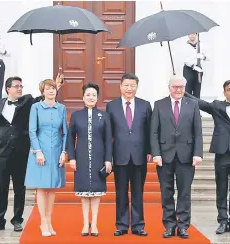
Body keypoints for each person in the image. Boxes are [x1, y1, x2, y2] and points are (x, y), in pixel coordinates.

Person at [0, 74, 64, 232]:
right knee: (1, 187)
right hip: (3, 151)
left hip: (21, 151)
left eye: (21, 86)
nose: (20, 88)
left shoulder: (27, 101)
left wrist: (55, 86)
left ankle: (17, 220)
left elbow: (42, 96)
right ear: (8, 89)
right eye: (17, 86)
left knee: (20, 188)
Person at [184, 80, 230, 235]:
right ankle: (222, 222)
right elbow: (200, 103)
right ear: (224, 92)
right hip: (222, 154)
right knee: (221, 189)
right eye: (228, 89)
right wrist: (181, 90)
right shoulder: (217, 106)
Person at [150, 75, 203, 239]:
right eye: (175, 87)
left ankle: (183, 226)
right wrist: (156, 153)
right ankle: (169, 225)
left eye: (181, 87)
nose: (178, 90)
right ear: (169, 87)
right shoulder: (159, 105)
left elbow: (198, 131)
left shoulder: (193, 105)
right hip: (164, 156)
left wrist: (197, 153)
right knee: (166, 192)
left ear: (185, 88)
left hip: (186, 156)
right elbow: (154, 131)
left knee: (184, 193)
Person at [105, 73, 152, 237]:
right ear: (120, 86)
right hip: (120, 156)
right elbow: (108, 134)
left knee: (138, 192)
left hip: (139, 156)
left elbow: (149, 131)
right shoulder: (111, 106)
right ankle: (122, 225)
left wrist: (149, 151)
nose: (129, 88)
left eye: (132, 85)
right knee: (121, 192)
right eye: (126, 85)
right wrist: (108, 156)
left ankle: (138, 225)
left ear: (137, 87)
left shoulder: (145, 105)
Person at [66, 83, 113, 237]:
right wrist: (71, 157)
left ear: (97, 97)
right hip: (81, 158)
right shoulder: (76, 115)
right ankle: (86, 223)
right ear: (83, 97)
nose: (91, 97)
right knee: (84, 193)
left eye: (93, 95)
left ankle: (95, 223)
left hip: (99, 158)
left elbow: (108, 140)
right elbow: (70, 137)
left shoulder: (104, 116)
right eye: (88, 94)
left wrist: (108, 160)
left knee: (97, 194)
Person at [24, 79, 68, 237]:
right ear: (42, 91)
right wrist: (38, 151)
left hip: (56, 151)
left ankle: (49, 220)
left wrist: (64, 152)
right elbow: (32, 131)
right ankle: (43, 222)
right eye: (48, 89)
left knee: (52, 188)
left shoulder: (61, 108)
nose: (51, 91)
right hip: (40, 151)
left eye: (53, 89)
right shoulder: (36, 107)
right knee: (42, 187)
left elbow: (65, 132)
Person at [182, 32, 208, 99]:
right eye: (190, 34)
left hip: (198, 70)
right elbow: (184, 59)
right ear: (188, 35)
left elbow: (208, 57)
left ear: (196, 34)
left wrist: (203, 57)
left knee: (197, 90)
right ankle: (188, 108)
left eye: (194, 33)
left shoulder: (201, 45)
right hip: (188, 70)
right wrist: (193, 66)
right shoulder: (184, 46)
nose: (192, 35)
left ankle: (196, 108)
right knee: (188, 90)